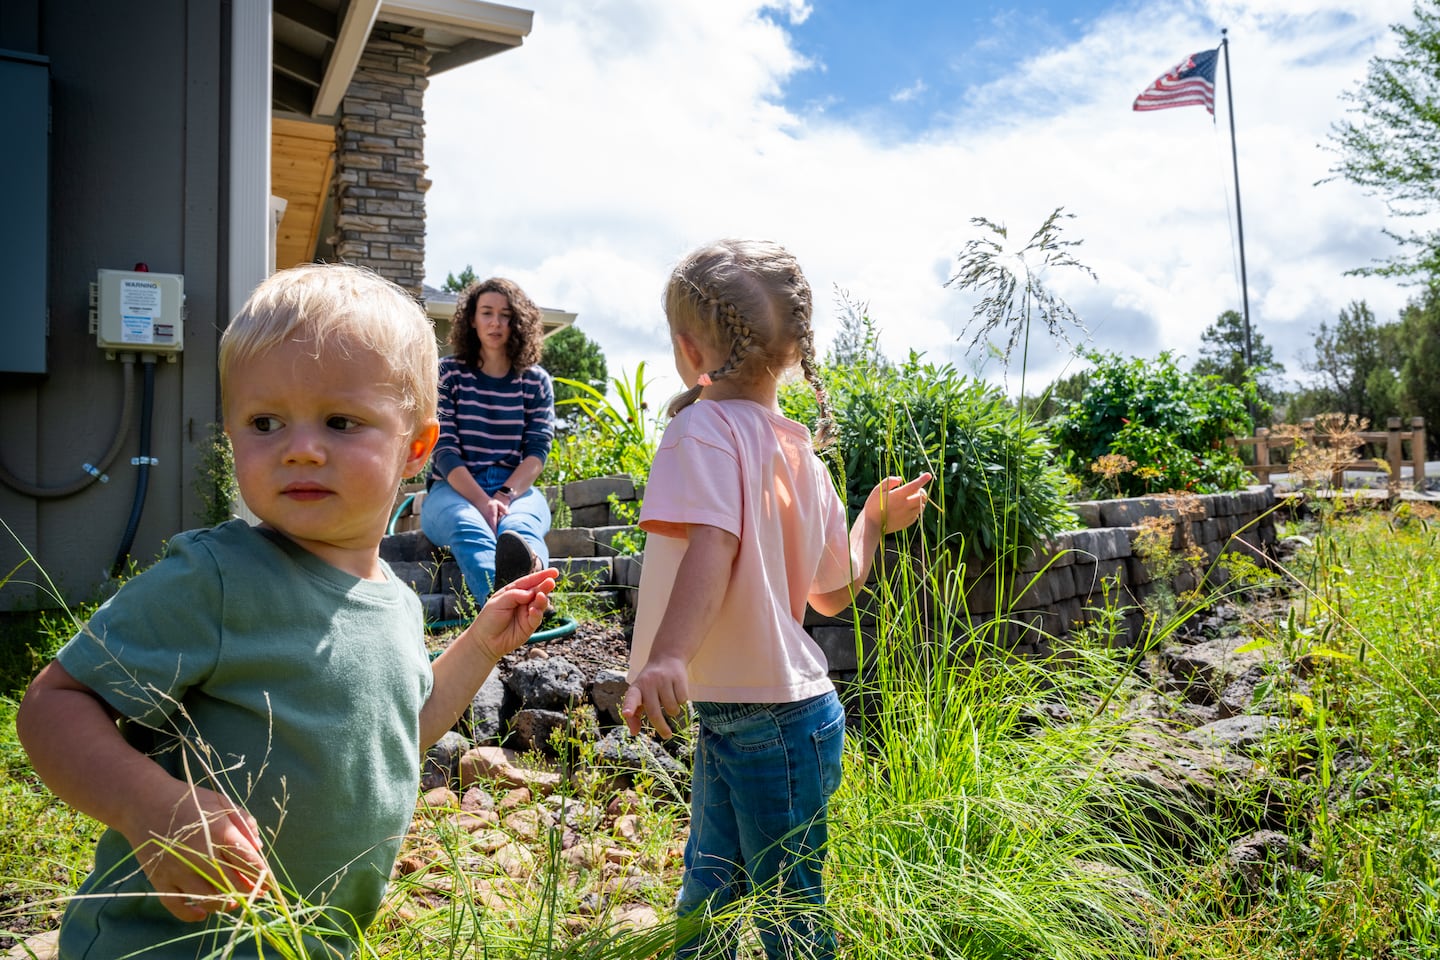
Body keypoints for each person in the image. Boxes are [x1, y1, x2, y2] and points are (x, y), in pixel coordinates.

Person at [16, 263, 557, 960]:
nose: (300, 448)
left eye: (341, 421)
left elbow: (399, 736)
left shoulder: (397, 604)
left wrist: (481, 646)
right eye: (264, 422)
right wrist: (149, 805)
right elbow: (54, 704)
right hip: (162, 946)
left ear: (416, 448)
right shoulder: (217, 577)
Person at [621, 239, 931, 960]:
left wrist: (668, 656)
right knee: (756, 899)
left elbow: (714, 544)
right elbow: (832, 593)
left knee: (756, 906)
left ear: (688, 348)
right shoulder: (801, 456)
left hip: (761, 715)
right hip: (782, 716)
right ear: (793, 351)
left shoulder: (701, 429)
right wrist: (871, 522)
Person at [420, 276, 555, 598]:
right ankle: (512, 609)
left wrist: (504, 496)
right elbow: (444, 449)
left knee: (519, 530)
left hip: (515, 489)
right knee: (469, 526)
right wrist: (483, 502)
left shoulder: (535, 382)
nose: (496, 322)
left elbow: (537, 451)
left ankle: (533, 595)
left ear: (518, 322)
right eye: (487, 313)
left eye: (506, 315)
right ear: (472, 319)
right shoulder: (447, 374)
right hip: (453, 489)